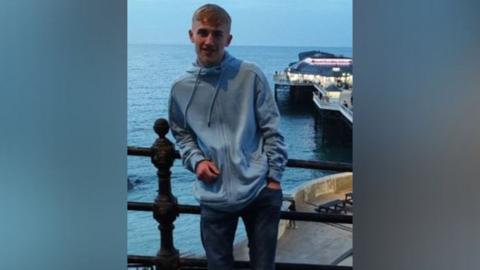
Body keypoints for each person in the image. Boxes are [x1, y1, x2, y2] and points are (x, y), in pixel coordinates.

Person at [168, 4, 288, 270]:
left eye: (217, 34)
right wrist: (197, 161)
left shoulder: (250, 75)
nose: (209, 41)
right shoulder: (180, 88)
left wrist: (274, 179)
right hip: (214, 194)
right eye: (203, 33)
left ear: (228, 39)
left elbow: (272, 128)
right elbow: (181, 133)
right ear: (191, 35)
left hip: (260, 191)